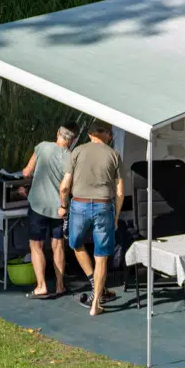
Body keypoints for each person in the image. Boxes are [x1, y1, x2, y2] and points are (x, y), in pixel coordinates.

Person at [58, 121, 124, 316]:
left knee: (75, 244)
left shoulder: (76, 152)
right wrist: (117, 215)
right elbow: (120, 191)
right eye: (110, 134)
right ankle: (96, 303)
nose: (111, 138)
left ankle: (93, 281)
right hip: (104, 205)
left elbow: (64, 186)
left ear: (90, 134)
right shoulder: (114, 155)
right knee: (101, 254)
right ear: (105, 135)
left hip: (79, 204)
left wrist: (63, 206)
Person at [20, 122, 77, 299]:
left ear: (58, 132)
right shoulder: (72, 157)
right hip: (59, 208)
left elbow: (27, 172)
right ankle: (60, 286)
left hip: (38, 205)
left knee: (36, 245)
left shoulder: (42, 146)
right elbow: (69, 186)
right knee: (58, 245)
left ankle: (41, 286)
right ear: (73, 140)